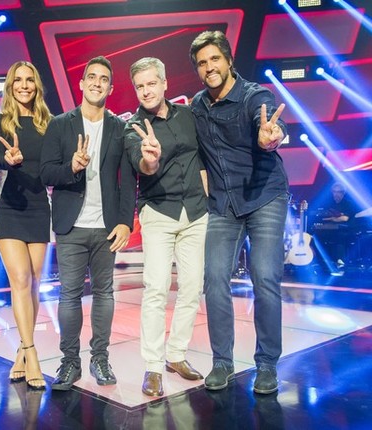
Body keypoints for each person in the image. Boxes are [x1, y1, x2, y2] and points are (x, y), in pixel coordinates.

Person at [189, 30, 289, 395]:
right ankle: (222, 361)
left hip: (265, 197)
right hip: (223, 205)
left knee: (265, 277)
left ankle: (267, 364)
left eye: (215, 59)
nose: (209, 67)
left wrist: (271, 136)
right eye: (202, 63)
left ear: (229, 60)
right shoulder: (197, 106)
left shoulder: (253, 96)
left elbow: (271, 125)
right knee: (214, 277)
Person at [40, 56, 136, 391]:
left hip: (107, 227)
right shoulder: (59, 125)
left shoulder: (119, 128)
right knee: (69, 295)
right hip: (71, 225)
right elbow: (46, 173)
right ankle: (70, 361)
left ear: (110, 87)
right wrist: (72, 167)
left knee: (104, 294)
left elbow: (128, 181)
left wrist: (125, 222)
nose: (97, 82)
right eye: (91, 76)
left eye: (103, 78)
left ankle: (100, 358)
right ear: (81, 83)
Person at [124, 57, 208, 397]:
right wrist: (151, 159)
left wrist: (207, 198)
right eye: (140, 86)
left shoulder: (188, 115)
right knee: (156, 289)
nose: (146, 91)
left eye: (151, 83)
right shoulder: (133, 127)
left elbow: (201, 158)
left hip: (196, 212)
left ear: (164, 83)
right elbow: (141, 164)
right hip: (159, 213)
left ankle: (176, 354)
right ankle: (153, 366)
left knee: (192, 288)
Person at [0, 61, 52, 390]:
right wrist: (4, 160)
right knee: (21, 279)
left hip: (39, 207)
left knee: (34, 283)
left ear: (36, 85)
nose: (24, 85)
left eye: (30, 80)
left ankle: (21, 354)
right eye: (18, 80)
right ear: (9, 86)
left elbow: (52, 168)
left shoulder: (50, 124)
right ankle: (32, 353)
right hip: (7, 207)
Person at [316, 182, 358, 271]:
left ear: (343, 193)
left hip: (346, 229)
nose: (336, 194)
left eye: (339, 192)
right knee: (317, 235)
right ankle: (321, 261)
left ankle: (340, 261)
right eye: (334, 192)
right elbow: (321, 215)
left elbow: (345, 218)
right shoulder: (329, 203)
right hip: (329, 229)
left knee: (339, 236)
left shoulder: (348, 204)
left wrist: (332, 219)